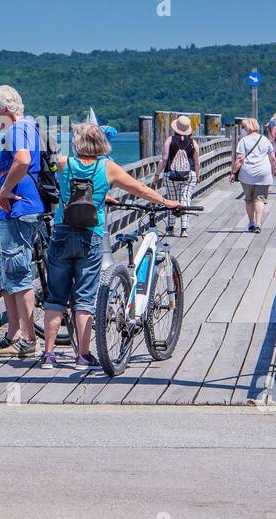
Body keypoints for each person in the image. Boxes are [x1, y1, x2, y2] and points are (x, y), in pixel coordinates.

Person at [42, 122, 179, 370]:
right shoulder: (108, 168)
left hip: (62, 233)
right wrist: (165, 201)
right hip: (90, 235)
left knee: (56, 298)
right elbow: (139, 189)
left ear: (78, 143)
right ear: (101, 144)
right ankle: (82, 356)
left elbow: (64, 182)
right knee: (84, 298)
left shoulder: (64, 163)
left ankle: (49, 356)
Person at [0, 85, 44, 358]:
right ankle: (14, 332)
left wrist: (5, 190)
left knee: (18, 271)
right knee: (4, 271)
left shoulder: (17, 130)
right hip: (14, 211)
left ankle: (29, 339)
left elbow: (22, 160)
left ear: (6, 110)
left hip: (18, 209)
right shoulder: (25, 127)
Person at [152, 114, 200, 237]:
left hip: (170, 175)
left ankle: (170, 227)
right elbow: (197, 161)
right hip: (189, 175)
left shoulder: (170, 140)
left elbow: (163, 159)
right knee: (185, 199)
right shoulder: (193, 142)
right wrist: (198, 175)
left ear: (176, 128)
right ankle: (184, 229)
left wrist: (157, 175)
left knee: (171, 200)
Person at [231, 118, 273, 233]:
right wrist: (273, 172)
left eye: (244, 127)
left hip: (247, 174)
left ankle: (251, 223)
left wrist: (233, 173)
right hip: (264, 173)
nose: (243, 130)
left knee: (249, 200)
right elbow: (272, 158)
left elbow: (240, 159)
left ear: (248, 128)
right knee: (260, 199)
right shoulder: (265, 140)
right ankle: (258, 224)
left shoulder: (243, 141)